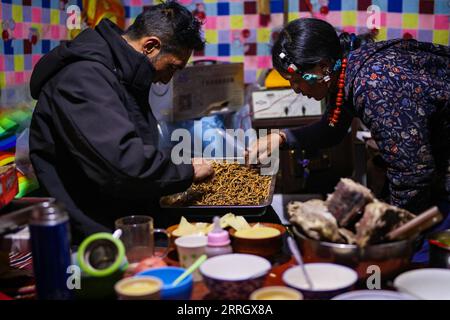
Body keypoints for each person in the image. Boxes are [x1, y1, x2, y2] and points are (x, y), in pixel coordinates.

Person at [29, 1, 214, 242]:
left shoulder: (122, 73)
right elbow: (124, 165)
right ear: (150, 46)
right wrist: (186, 170)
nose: (167, 79)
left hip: (121, 217)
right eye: (172, 67)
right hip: (93, 234)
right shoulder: (83, 77)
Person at [249, 18, 449, 217]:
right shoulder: (346, 69)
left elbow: (412, 173)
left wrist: (396, 233)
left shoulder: (373, 84)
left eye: (297, 80)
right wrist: (282, 137)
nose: (295, 89)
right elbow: (331, 130)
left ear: (324, 67)